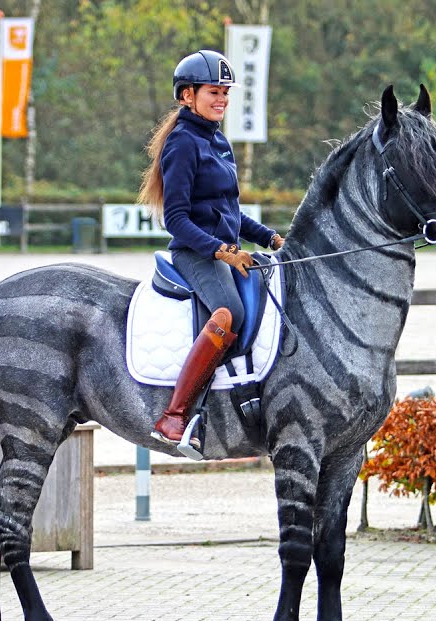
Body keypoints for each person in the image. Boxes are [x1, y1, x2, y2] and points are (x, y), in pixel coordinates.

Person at [138, 49, 285, 450]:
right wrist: (221, 251)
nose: (221, 99)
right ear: (187, 96)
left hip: (223, 249)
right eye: (213, 92)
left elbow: (231, 214)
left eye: (225, 93)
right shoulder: (183, 143)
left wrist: (273, 238)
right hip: (194, 253)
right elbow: (177, 219)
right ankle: (174, 416)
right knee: (231, 311)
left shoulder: (218, 140)